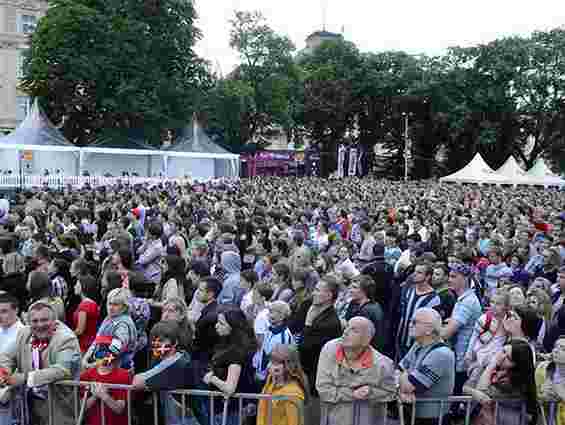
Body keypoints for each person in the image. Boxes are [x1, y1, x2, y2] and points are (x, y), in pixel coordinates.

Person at [0, 301, 81, 425]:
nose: (40, 325)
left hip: (58, 411)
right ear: (28, 322)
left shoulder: (66, 339)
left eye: (44, 320)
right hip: (28, 410)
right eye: (35, 321)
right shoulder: (24, 333)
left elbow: (62, 369)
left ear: (55, 321)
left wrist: (25, 378)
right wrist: (4, 373)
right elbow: (6, 357)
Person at [316, 316, 396, 425]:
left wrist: (371, 392)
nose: (345, 332)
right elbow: (324, 390)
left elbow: (391, 392)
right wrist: (353, 393)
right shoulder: (330, 350)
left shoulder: (383, 364)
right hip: (334, 420)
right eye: (347, 327)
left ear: (366, 340)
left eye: (354, 330)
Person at [132, 321, 197, 425]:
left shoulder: (174, 363)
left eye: (161, 340)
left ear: (175, 342)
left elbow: (137, 382)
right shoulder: (181, 355)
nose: (156, 344)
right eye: (153, 340)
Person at [399, 308, 455, 425]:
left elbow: (409, 386)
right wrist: (404, 377)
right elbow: (398, 370)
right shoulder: (418, 344)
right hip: (414, 414)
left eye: (414, 322)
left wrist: (404, 375)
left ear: (429, 329)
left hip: (432, 419)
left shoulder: (441, 354)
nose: (410, 325)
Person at [203, 308, 258, 425]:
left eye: (221, 323)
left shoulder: (236, 352)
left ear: (233, 327)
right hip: (224, 408)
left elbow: (229, 388)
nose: (216, 326)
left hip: (230, 411)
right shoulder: (226, 344)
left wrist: (212, 378)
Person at [467, 340, 538, 425]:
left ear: (516, 365)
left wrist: (492, 365)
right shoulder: (487, 366)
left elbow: (482, 391)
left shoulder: (514, 383)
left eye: (508, 358)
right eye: (503, 351)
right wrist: (473, 392)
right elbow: (465, 387)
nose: (502, 357)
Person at [441, 262, 482, 398]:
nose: (449, 280)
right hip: (459, 357)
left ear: (464, 279)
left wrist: (433, 326)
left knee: (455, 398)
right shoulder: (464, 299)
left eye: (453, 276)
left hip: (462, 359)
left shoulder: (467, 302)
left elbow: (447, 333)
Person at [83, 288, 137, 370]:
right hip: (101, 365)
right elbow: (97, 341)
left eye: (115, 305)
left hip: (115, 369)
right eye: (109, 304)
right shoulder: (109, 318)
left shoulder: (123, 324)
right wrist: (86, 358)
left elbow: (115, 350)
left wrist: (95, 365)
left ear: (125, 306)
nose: (111, 308)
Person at [80, 340, 131, 425]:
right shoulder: (86, 375)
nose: (104, 358)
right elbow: (81, 408)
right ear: (95, 356)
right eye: (100, 354)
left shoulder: (123, 376)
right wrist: (95, 396)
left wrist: (104, 396)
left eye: (107, 354)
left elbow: (119, 409)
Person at [257, 344, 307, 425]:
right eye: (270, 361)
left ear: (287, 366)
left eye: (274, 363)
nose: (269, 366)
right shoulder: (271, 382)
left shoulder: (292, 393)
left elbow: (293, 422)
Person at [255, 301, 294, 385]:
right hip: (262, 373)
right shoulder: (270, 330)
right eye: (269, 312)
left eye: (272, 312)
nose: (269, 315)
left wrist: (267, 375)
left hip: (272, 377)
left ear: (282, 316)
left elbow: (280, 361)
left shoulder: (284, 336)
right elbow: (264, 351)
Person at [72, 274, 100, 354]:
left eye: (77, 284)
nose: (74, 286)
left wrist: (67, 334)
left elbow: (80, 330)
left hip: (83, 346)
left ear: (82, 286)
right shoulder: (92, 303)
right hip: (91, 343)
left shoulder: (84, 305)